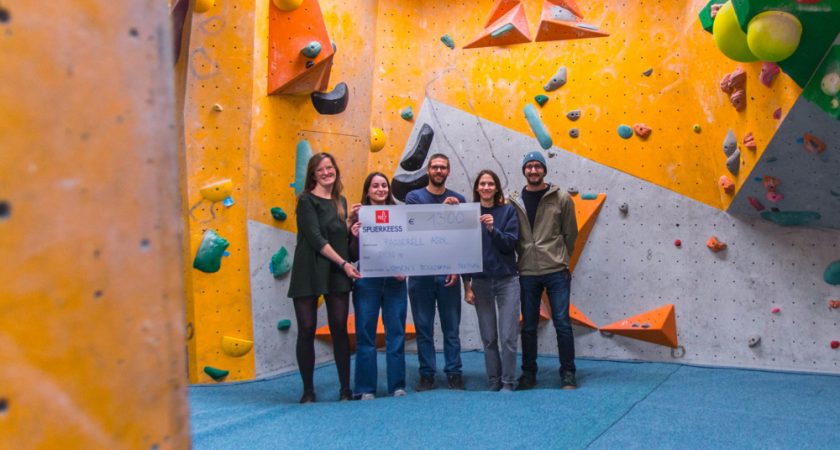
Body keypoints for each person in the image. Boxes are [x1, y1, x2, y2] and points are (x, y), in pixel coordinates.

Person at [287, 152, 361, 403]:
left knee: (339, 329)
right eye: (321, 169)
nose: (327, 172)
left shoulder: (341, 201)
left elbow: (339, 236)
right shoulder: (306, 201)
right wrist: (344, 264)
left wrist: (350, 223)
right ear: (313, 175)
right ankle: (308, 390)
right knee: (306, 329)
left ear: (336, 170)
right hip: (309, 269)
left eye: (330, 167)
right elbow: (317, 239)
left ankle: (345, 390)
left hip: (336, 273)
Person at [508, 151, 579, 390]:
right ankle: (529, 374)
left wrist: (561, 257)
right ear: (524, 171)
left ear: (544, 170)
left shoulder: (561, 198)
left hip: (556, 270)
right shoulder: (514, 200)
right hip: (528, 270)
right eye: (529, 167)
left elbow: (571, 234)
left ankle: (568, 372)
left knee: (562, 323)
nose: (534, 170)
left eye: (538, 166)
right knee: (528, 325)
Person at [405, 153, 466, 391]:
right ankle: (427, 374)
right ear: (428, 170)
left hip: (449, 273)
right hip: (420, 274)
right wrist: (443, 212)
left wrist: (457, 267)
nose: (439, 171)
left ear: (448, 172)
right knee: (423, 327)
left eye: (443, 168)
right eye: (435, 167)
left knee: (451, 327)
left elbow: (462, 239)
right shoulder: (414, 197)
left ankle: (454, 373)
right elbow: (416, 230)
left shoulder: (459, 199)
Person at [347, 172, 408, 399]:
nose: (381, 189)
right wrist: (354, 235)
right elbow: (352, 255)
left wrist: (406, 268)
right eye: (375, 186)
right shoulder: (359, 217)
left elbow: (408, 247)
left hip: (395, 283)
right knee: (365, 334)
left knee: (396, 334)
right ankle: (365, 388)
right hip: (367, 282)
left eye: (384, 185)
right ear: (368, 190)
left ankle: (397, 386)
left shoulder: (399, 215)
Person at [463, 170, 520, 392]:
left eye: (490, 184)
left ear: (496, 188)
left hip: (507, 280)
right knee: (488, 336)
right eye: (482, 184)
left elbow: (510, 244)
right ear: (477, 188)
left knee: (508, 336)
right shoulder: (469, 213)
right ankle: (493, 381)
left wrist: (492, 229)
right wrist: (466, 286)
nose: (486, 187)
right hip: (480, 282)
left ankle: (508, 381)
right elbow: (462, 252)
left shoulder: (508, 211)